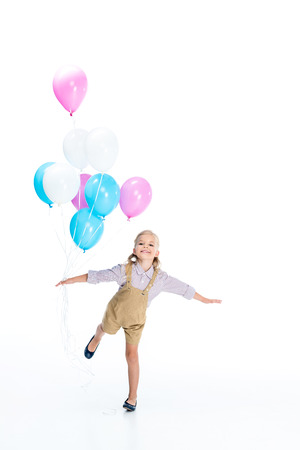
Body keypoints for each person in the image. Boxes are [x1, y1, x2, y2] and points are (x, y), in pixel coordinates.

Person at [56, 230, 222, 412]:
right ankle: (96, 339)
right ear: (134, 249)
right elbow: (96, 276)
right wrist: (69, 281)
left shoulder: (161, 279)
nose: (146, 246)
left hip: (136, 322)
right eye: (142, 243)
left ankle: (132, 397)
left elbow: (184, 289)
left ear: (157, 253)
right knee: (104, 329)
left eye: (151, 244)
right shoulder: (123, 270)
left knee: (132, 356)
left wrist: (205, 299)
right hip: (116, 312)